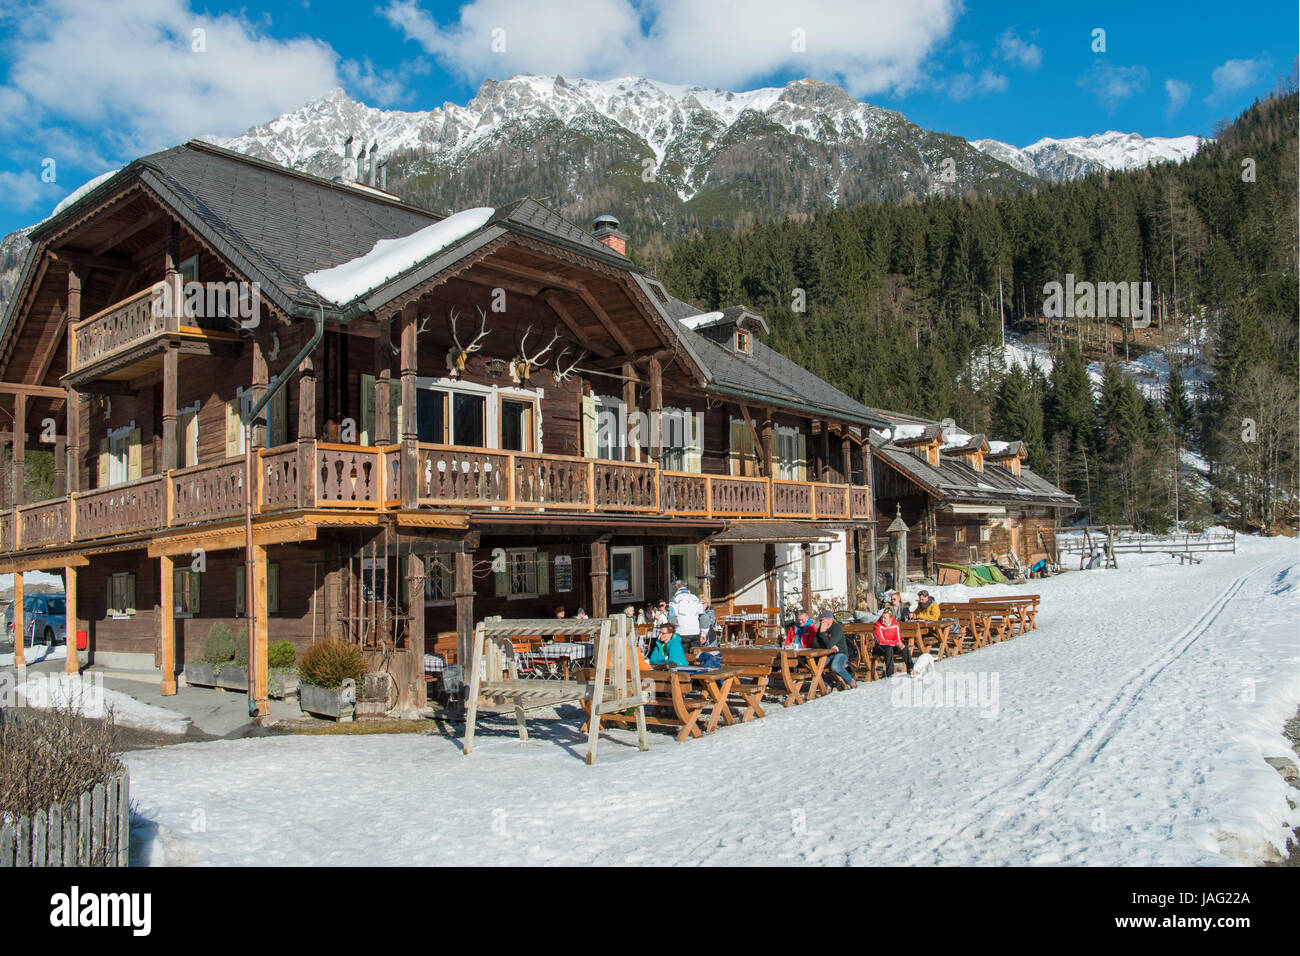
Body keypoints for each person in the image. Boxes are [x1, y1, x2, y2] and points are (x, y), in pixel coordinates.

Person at [813, 609, 856, 689]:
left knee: (835, 666)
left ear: (829, 619)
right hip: (827, 654)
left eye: (822, 620)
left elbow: (829, 644)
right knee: (815, 668)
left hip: (841, 653)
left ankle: (850, 681)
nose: (820, 622)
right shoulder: (821, 628)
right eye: (820, 620)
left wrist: (823, 635)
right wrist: (828, 645)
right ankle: (828, 684)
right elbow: (815, 644)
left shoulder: (837, 628)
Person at [872, 606, 912, 677]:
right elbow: (881, 641)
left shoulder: (895, 624)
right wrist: (895, 643)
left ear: (890, 618)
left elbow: (898, 637)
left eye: (885, 618)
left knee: (904, 648)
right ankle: (890, 673)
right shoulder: (877, 625)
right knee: (889, 649)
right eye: (882, 617)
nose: (883, 620)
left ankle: (911, 668)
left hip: (892, 645)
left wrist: (900, 644)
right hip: (880, 647)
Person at [669, 579, 704, 653]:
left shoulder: (674, 599)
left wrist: (673, 632)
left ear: (676, 588)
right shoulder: (696, 598)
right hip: (695, 632)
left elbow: (672, 618)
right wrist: (704, 633)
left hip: (681, 632)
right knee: (696, 657)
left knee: (683, 657)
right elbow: (703, 617)